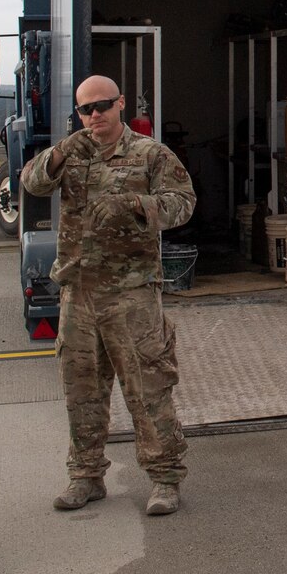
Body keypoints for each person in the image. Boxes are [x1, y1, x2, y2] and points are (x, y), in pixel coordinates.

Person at [22, 75, 197, 516]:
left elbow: (183, 202)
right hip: (79, 292)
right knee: (81, 390)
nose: (94, 115)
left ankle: (164, 478)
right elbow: (32, 184)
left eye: (102, 106)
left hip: (131, 292)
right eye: (85, 109)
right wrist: (62, 151)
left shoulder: (150, 154)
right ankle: (85, 475)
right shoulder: (71, 153)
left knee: (148, 388)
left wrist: (136, 205)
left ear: (120, 104)